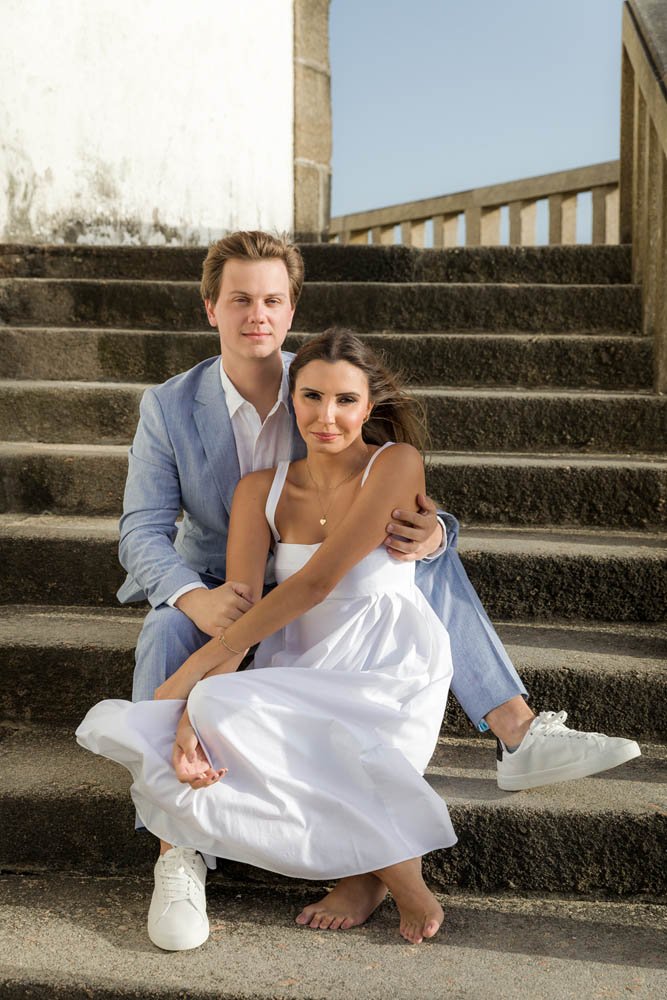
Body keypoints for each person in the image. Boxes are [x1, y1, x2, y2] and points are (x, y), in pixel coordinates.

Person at [96, 230, 639, 950]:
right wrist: (189, 597)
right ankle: (178, 850)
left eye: (271, 300)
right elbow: (140, 531)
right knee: (167, 631)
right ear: (210, 309)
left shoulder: (321, 379)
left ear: (291, 310)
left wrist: (435, 530)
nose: (256, 314)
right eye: (239, 300)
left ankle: (514, 730)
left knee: (417, 554)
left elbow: (384, 482)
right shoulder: (169, 406)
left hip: (331, 591)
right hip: (224, 587)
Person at [78, 328, 458, 948]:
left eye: (345, 401)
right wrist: (191, 704)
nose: (326, 417)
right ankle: (366, 873)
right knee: (213, 709)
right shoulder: (262, 488)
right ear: (291, 398)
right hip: (303, 656)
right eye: (311, 397)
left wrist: (181, 681)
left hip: (389, 661)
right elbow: (242, 607)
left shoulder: (395, 463)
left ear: (369, 407)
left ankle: (399, 878)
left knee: (276, 721)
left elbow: (316, 583)